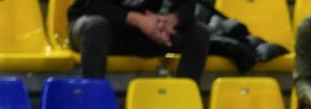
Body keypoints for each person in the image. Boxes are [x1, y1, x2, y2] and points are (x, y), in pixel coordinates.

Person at [67, 0, 210, 81]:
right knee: (95, 27)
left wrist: (171, 20)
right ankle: (92, 103)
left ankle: (184, 104)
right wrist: (137, 20)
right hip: (96, 26)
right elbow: (93, 6)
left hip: (146, 31)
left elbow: (187, 7)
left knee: (199, 32)